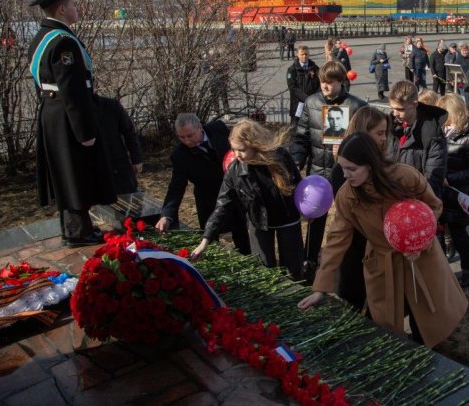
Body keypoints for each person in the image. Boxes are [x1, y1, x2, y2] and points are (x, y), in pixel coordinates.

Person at [297, 132, 467, 348]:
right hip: (383, 265)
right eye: (342, 167)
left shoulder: (404, 176)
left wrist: (420, 240)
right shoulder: (347, 196)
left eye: (352, 168)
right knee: (388, 329)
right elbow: (336, 240)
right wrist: (320, 287)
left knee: (425, 318)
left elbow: (434, 206)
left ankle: (429, 357)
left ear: (370, 164)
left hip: (419, 259)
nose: (345, 174)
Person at [27, 0, 116, 246]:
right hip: (67, 114)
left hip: (52, 111)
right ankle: (79, 231)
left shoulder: (41, 38)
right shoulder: (63, 41)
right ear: (61, 9)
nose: (78, 9)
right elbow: (73, 89)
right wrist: (85, 130)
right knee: (75, 172)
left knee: (65, 173)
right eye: (74, 4)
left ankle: (73, 228)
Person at [190, 120, 304, 278]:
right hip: (259, 220)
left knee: (294, 268)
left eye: (241, 150)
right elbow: (222, 205)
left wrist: (306, 210)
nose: (236, 155)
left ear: (255, 144)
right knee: (264, 269)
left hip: (287, 217)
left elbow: (298, 184)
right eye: (233, 149)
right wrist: (206, 239)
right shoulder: (235, 170)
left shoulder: (280, 156)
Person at [291, 61, 367, 277]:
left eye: (330, 83)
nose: (324, 86)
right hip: (317, 171)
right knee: (315, 218)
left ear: (341, 82)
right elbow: (301, 136)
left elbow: (365, 143)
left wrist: (347, 147)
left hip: (345, 172)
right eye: (322, 82)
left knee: (348, 218)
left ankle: (350, 263)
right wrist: (297, 159)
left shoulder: (356, 106)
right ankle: (309, 260)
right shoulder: (311, 102)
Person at [155, 113, 250, 253]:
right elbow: (176, 187)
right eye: (181, 137)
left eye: (190, 135)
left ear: (200, 127)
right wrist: (166, 215)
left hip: (235, 193)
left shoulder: (219, 129)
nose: (187, 141)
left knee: (242, 234)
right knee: (210, 240)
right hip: (208, 199)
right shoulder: (179, 156)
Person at [330, 106, 391, 311]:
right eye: (379, 133)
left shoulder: (383, 164)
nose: (384, 138)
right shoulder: (342, 170)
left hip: (379, 246)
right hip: (355, 246)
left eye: (385, 133)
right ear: (364, 133)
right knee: (351, 302)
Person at [436, 93, 469, 287]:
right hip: (440, 192)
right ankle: (439, 269)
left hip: (458, 193)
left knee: (458, 233)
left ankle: (468, 270)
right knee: (438, 232)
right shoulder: (440, 133)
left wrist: (450, 179)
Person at [387, 80, 448, 198]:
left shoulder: (432, 133)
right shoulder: (389, 126)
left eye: (400, 109)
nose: (395, 113)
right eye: (392, 108)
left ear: (414, 104)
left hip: (417, 201)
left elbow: (433, 177)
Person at [93, 94, 143, 195]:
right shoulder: (73, 109)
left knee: (130, 197)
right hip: (92, 168)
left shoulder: (111, 105)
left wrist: (136, 159)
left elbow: (129, 132)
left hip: (117, 165)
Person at [286, 45, 320, 126]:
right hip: (298, 104)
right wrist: (306, 98)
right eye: (302, 54)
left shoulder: (315, 68)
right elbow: (292, 87)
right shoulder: (292, 70)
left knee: (313, 126)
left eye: (306, 54)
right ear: (297, 54)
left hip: (313, 103)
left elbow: (321, 84)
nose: (304, 56)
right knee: (295, 127)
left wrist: (313, 98)